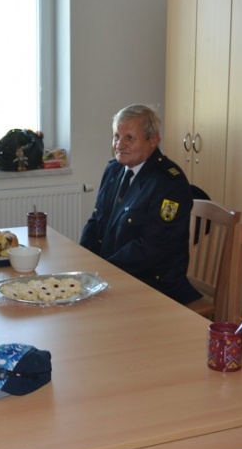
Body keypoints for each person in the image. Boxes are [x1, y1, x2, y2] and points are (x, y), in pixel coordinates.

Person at [80, 104, 201, 305]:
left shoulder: (169, 183)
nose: (119, 145)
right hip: (115, 274)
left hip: (152, 284)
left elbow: (151, 248)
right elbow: (96, 221)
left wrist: (103, 271)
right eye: (116, 136)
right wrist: (83, 260)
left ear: (153, 140)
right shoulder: (114, 170)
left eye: (129, 138)